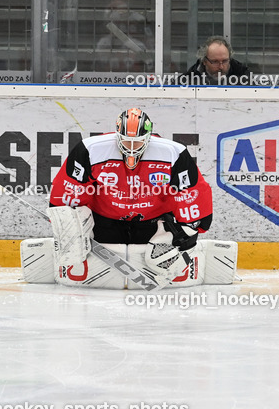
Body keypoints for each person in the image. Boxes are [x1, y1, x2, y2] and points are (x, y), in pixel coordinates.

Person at [47, 107, 214, 287]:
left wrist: (190, 228)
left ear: (148, 137)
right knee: (76, 230)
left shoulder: (173, 153)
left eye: (138, 142)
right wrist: (66, 221)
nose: (132, 148)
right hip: (104, 220)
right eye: (127, 141)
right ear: (117, 135)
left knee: (166, 247)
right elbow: (70, 187)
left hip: (153, 222)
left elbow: (191, 192)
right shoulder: (91, 149)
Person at [184, 36, 253, 85]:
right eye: (215, 62)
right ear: (204, 61)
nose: (221, 67)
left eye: (225, 61)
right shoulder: (189, 79)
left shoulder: (243, 75)